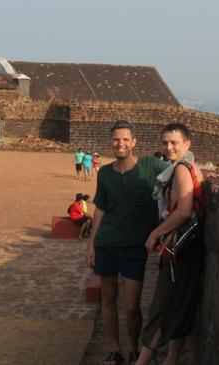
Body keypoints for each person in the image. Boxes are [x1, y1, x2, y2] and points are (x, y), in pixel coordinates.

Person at [87, 120, 168, 365]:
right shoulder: (106, 173)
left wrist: (199, 172)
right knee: (108, 300)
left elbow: (179, 169)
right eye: (116, 139)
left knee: (132, 307)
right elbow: (100, 209)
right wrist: (91, 244)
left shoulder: (150, 166)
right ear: (111, 142)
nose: (120, 144)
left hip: (134, 247)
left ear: (134, 142)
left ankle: (134, 348)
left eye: (125, 139)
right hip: (107, 244)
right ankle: (115, 350)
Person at [137, 123, 204, 365]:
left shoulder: (181, 170)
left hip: (181, 250)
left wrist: (155, 233)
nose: (168, 147)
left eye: (174, 142)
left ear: (187, 144)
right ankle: (171, 360)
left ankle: (142, 361)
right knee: (179, 306)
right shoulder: (189, 166)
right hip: (190, 249)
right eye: (165, 142)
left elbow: (185, 211)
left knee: (162, 308)